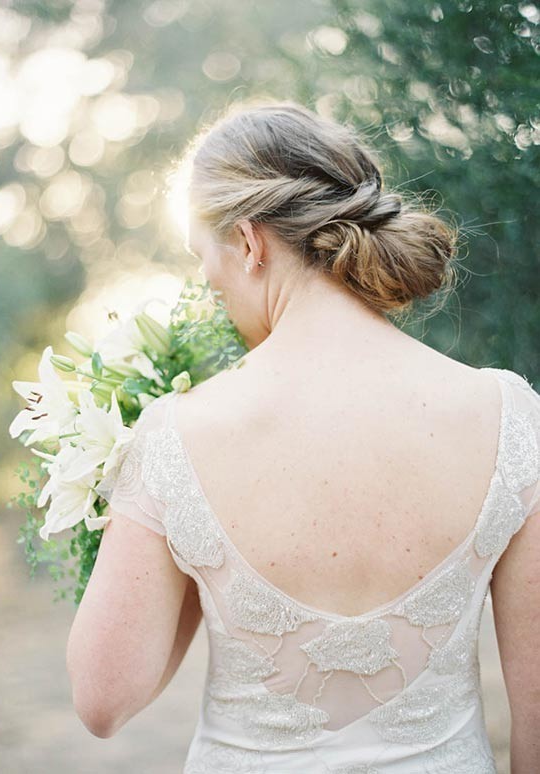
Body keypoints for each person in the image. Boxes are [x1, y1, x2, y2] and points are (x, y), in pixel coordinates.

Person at [67, 99, 540, 773]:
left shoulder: (178, 435)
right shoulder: (510, 417)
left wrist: (172, 536)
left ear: (251, 242)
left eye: (202, 256)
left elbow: (103, 700)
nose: (207, 284)